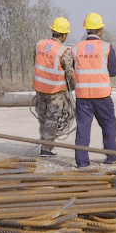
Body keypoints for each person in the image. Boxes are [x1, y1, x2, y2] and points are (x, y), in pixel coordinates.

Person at [73, 12, 116, 167]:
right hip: (102, 95)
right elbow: (113, 71)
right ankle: (111, 156)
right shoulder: (106, 47)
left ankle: (82, 162)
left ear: (87, 30)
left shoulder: (76, 48)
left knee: (83, 128)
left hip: (83, 95)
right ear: (100, 30)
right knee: (108, 123)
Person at [33, 17, 76, 157]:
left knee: (44, 118)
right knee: (53, 119)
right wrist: (73, 88)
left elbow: (36, 61)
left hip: (39, 89)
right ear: (63, 35)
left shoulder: (39, 44)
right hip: (54, 91)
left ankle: (46, 145)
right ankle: (46, 149)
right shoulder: (63, 51)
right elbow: (69, 73)